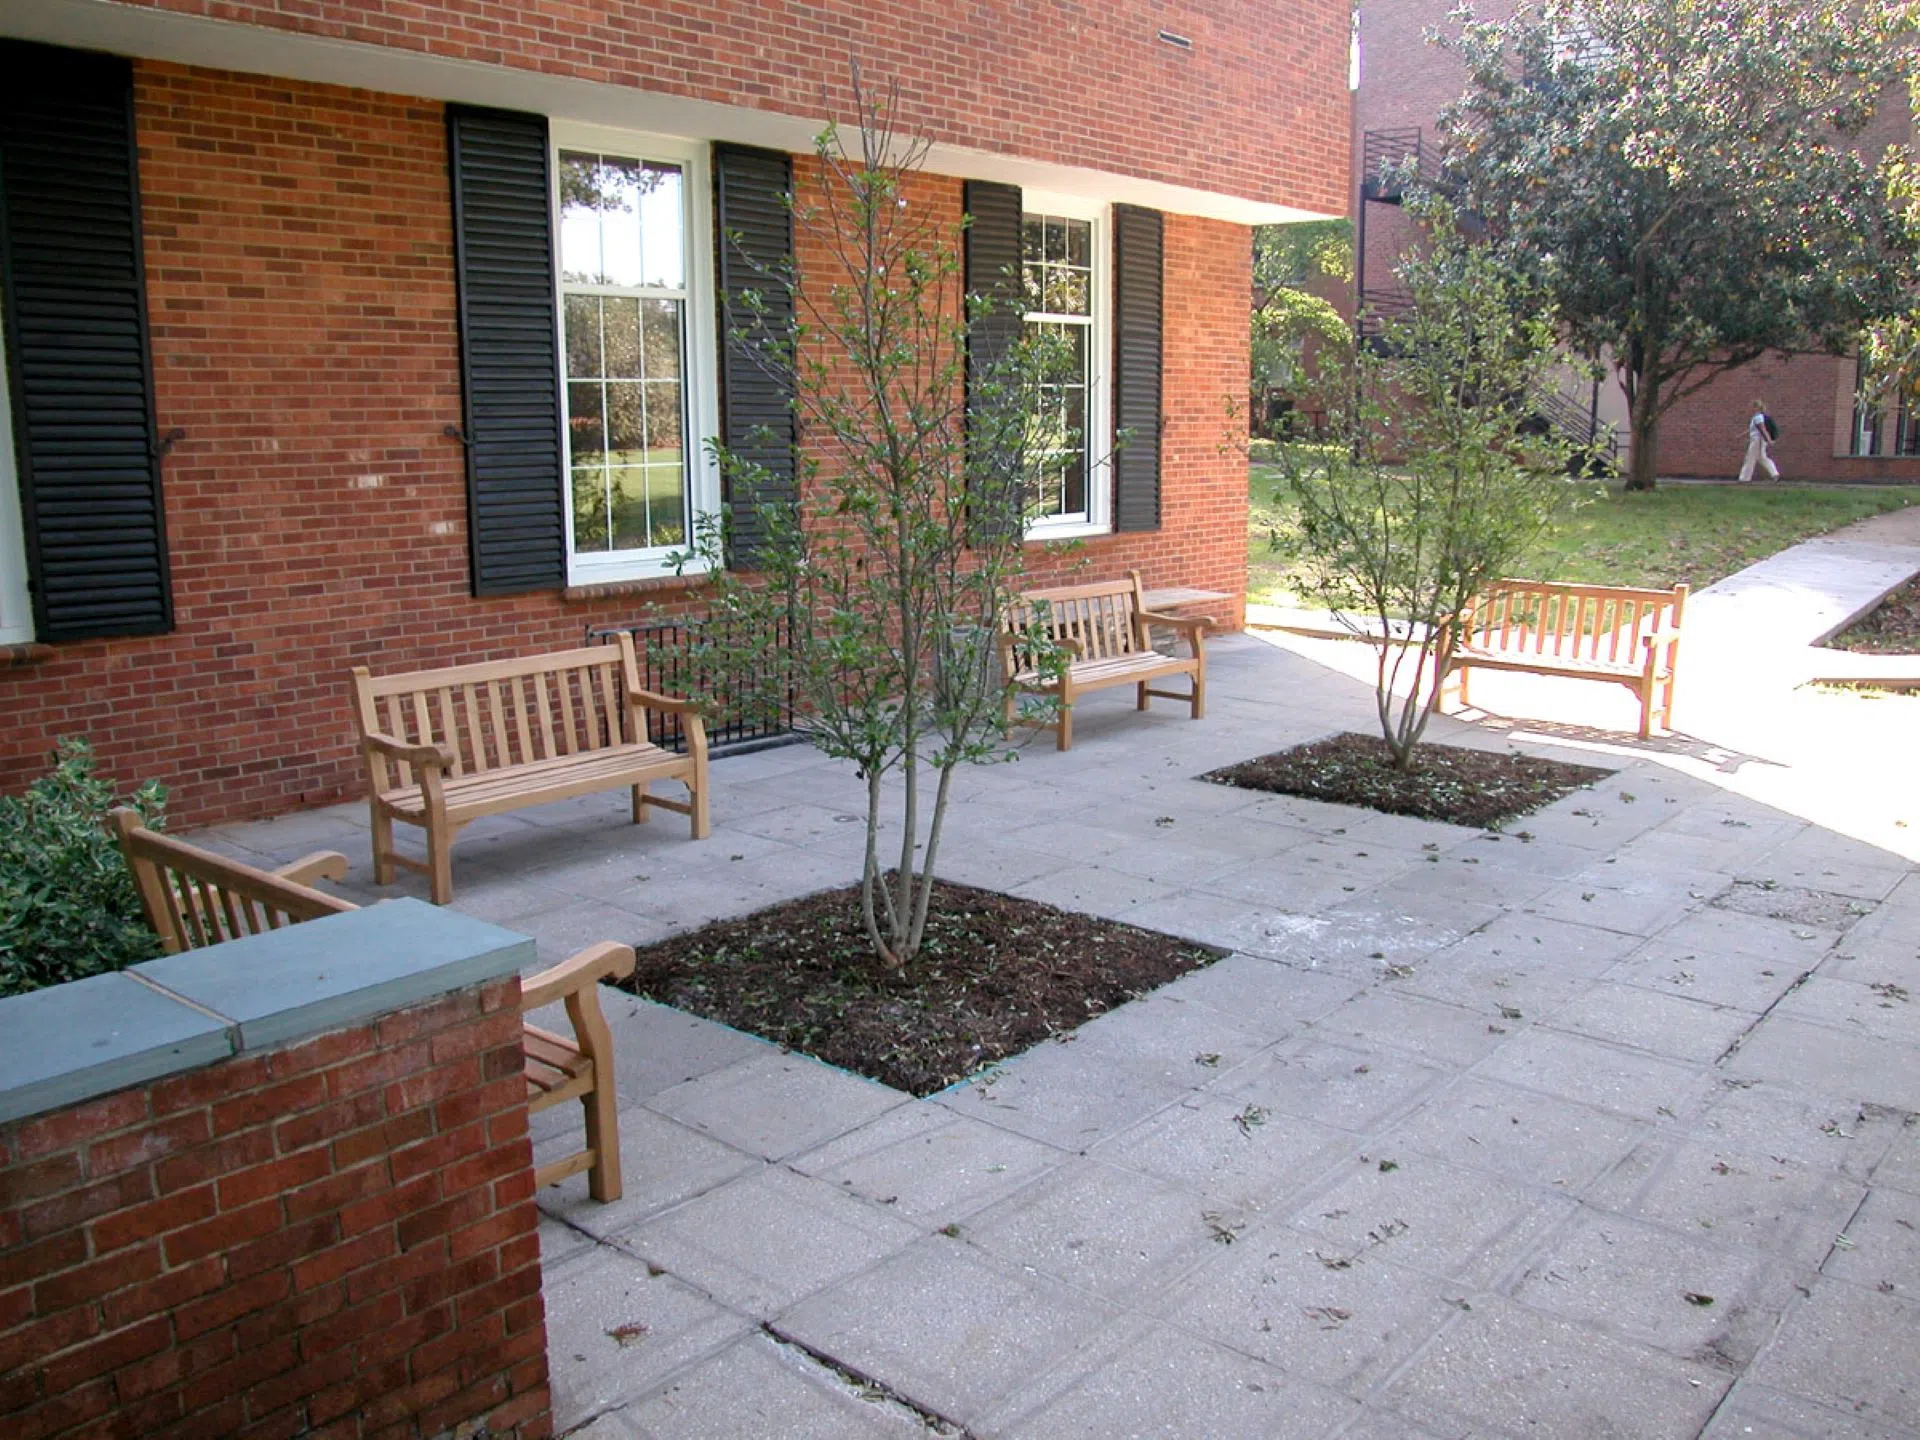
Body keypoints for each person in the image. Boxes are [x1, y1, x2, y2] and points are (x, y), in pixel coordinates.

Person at [1739, 401, 1780, 482]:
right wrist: (1741, 435)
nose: (1750, 409)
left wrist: (1769, 440)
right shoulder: (1757, 417)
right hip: (1758, 440)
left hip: (1757, 440)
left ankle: (1744, 478)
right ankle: (1774, 474)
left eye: (1752, 407)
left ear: (1756, 408)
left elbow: (1763, 429)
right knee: (1762, 458)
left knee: (1750, 458)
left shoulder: (1758, 417)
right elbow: (1753, 429)